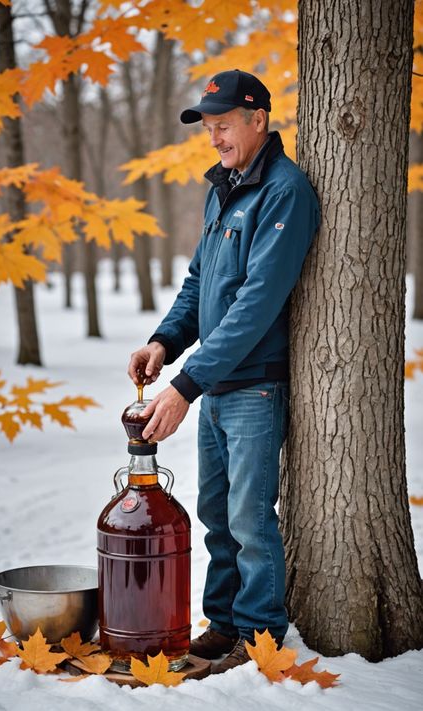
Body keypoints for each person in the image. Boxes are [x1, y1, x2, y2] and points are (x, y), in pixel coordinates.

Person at [128, 69, 320, 673]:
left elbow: (258, 303)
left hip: (256, 385)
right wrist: (165, 342)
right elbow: (199, 284)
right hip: (216, 385)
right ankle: (225, 625)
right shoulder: (223, 189)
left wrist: (186, 384)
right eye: (208, 127)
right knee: (216, 512)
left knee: (249, 517)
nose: (214, 137)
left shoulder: (284, 192)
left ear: (258, 119)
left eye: (223, 125)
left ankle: (260, 638)